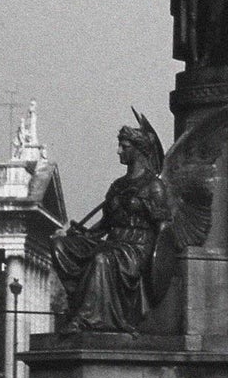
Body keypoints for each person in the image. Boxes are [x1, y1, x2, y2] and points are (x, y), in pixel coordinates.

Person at [52, 119, 172, 333]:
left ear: (138, 151)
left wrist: (153, 264)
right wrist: (84, 233)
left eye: (124, 147)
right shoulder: (117, 186)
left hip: (135, 249)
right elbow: (104, 225)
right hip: (113, 243)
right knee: (60, 246)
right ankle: (78, 302)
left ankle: (87, 318)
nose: (118, 151)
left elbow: (164, 231)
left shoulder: (154, 186)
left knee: (101, 260)